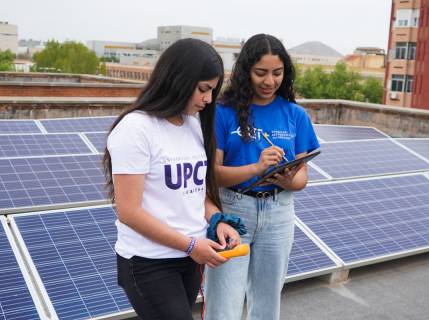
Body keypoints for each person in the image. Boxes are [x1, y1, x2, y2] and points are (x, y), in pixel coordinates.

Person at [103, 38, 241, 320]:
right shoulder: (136, 129)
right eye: (203, 89)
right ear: (177, 80)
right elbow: (128, 211)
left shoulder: (192, 124)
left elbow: (195, 191)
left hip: (189, 258)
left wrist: (217, 219)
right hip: (148, 262)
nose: (208, 99)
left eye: (213, 90)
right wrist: (191, 245)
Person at [204, 34, 320, 320]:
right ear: (246, 72)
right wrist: (257, 168)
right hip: (232, 211)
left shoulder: (295, 114)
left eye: (277, 73)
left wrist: (287, 180)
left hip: (279, 212)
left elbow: (302, 176)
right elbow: (213, 176)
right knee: (224, 304)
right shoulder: (223, 112)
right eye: (261, 73)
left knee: (268, 303)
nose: (269, 81)